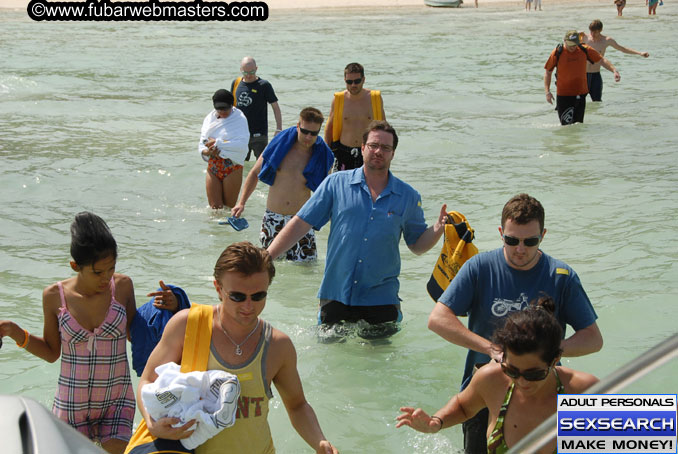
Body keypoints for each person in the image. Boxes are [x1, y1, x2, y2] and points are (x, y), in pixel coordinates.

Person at [427, 193, 603, 454]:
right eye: (512, 240)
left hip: (542, 390)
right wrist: (492, 350)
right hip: (485, 391)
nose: (520, 249)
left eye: (530, 241)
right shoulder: (479, 267)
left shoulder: (561, 277)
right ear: (501, 233)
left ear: (543, 235)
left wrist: (545, 355)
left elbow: (593, 338)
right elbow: (437, 319)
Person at [135, 242, 338, 454]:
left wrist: (319, 441)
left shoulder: (278, 345)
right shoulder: (186, 325)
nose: (249, 306)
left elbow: (297, 406)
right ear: (218, 288)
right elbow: (147, 380)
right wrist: (152, 423)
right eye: (238, 297)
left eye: (259, 296)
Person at [267, 120, 446, 336]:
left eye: (386, 148)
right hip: (335, 293)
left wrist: (438, 228)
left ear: (393, 153)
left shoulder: (408, 196)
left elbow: (417, 245)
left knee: (376, 367)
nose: (378, 151)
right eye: (373, 145)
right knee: (331, 364)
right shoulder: (335, 184)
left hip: (381, 298)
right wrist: (267, 256)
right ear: (362, 149)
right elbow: (300, 223)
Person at [0, 212, 137, 454]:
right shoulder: (54, 296)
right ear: (75, 266)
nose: (106, 278)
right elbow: (52, 352)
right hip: (71, 406)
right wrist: (13, 331)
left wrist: (170, 306)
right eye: (98, 272)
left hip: (116, 402)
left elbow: (135, 335)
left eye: (111, 268)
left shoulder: (122, 287)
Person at [398, 296, 599, 454]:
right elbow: (463, 406)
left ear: (555, 360)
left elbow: (622, 444)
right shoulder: (492, 379)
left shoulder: (585, 391)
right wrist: (436, 422)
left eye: (533, 374)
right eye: (511, 370)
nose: (521, 381)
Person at [231, 107, 333, 262]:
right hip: (273, 218)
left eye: (314, 133)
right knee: (268, 266)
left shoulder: (321, 155)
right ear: (298, 126)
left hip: (302, 220)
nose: (308, 137)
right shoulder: (279, 147)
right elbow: (253, 174)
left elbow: (328, 192)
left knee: (306, 271)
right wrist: (241, 203)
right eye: (305, 131)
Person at [544, 30, 620, 125]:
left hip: (580, 95)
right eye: (570, 44)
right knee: (566, 127)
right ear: (564, 40)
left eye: (575, 44)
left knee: (578, 126)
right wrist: (547, 92)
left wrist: (614, 70)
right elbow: (548, 72)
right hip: (564, 95)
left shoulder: (584, 50)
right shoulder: (557, 52)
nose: (573, 47)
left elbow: (601, 60)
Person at [324, 63, 386, 171]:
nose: (353, 85)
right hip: (344, 152)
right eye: (349, 82)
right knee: (342, 186)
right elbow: (329, 128)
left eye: (357, 81)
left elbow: (384, 127)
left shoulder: (374, 98)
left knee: (370, 186)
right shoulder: (339, 100)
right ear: (345, 80)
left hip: (369, 152)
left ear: (363, 79)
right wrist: (326, 154)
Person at [199, 89, 249, 209]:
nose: (222, 112)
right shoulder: (209, 118)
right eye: (219, 108)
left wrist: (217, 143)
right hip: (213, 164)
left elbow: (242, 145)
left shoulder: (239, 119)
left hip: (232, 166)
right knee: (215, 208)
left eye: (225, 108)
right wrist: (207, 151)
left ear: (232, 105)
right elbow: (202, 142)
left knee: (228, 208)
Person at [231, 56, 283, 161]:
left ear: (256, 69)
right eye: (245, 73)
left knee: (262, 165)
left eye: (252, 72)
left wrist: (278, 128)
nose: (249, 75)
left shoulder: (264, 85)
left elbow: (275, 107)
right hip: (240, 134)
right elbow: (231, 108)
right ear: (241, 70)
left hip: (259, 135)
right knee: (239, 165)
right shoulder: (236, 83)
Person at [583, 20, 649, 102]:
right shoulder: (584, 37)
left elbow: (623, 49)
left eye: (595, 32)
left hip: (596, 76)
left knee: (597, 102)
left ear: (600, 30)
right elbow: (569, 41)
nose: (592, 34)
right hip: (582, 76)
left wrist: (639, 53)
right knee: (578, 101)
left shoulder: (606, 40)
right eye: (591, 31)